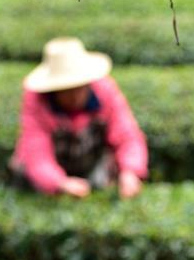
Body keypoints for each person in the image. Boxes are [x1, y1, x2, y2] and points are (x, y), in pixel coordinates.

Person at [10, 37, 148, 198]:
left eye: (78, 87)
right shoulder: (37, 101)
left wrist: (130, 171)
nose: (74, 96)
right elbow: (36, 151)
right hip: (51, 170)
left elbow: (127, 135)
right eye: (67, 89)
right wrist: (59, 183)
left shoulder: (104, 91)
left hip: (91, 161)